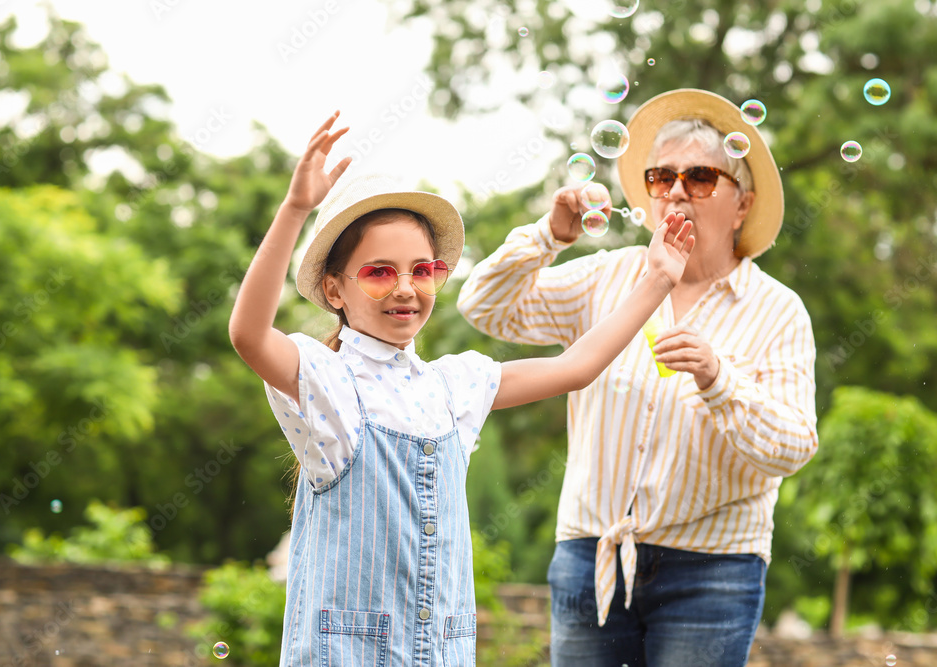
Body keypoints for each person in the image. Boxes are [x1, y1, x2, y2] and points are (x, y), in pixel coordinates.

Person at [227, 110, 694, 666]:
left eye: (422, 270)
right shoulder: (327, 379)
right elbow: (249, 334)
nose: (406, 287)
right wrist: (296, 207)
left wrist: (659, 278)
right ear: (334, 288)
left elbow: (577, 366)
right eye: (378, 272)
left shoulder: (454, 385)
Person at [457, 89, 819, 666]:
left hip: (714, 567)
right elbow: (483, 306)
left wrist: (717, 377)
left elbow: (794, 446)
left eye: (700, 177)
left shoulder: (779, 311)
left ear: (742, 204)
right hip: (589, 552)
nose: (677, 190)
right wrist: (550, 235)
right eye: (660, 176)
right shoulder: (607, 276)